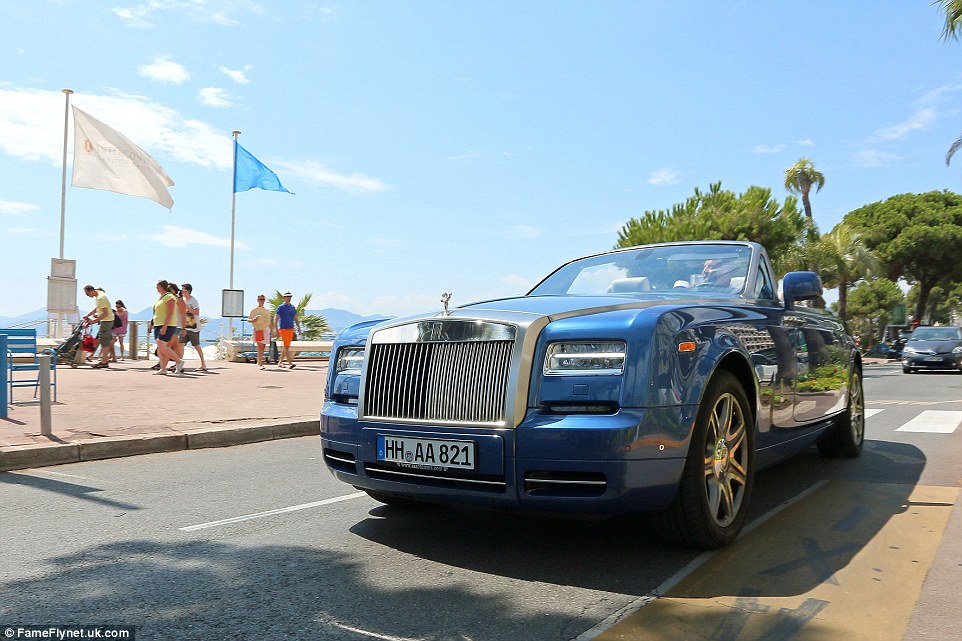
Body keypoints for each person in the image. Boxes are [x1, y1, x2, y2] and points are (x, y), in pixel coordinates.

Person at [147, 279, 184, 375]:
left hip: (167, 325)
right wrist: (152, 324)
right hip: (158, 324)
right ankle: (163, 369)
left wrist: (165, 326)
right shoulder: (161, 298)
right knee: (160, 348)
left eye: (157, 286)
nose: (156, 288)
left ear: (161, 286)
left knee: (163, 346)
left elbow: (170, 313)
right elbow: (157, 312)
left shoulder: (169, 297)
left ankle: (178, 361)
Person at [82, 285, 115, 369]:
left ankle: (104, 362)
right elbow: (98, 307)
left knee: (105, 342)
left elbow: (105, 313)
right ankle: (104, 361)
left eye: (87, 294)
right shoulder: (99, 294)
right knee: (103, 341)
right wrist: (88, 315)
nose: (87, 296)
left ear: (91, 291)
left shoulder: (101, 298)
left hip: (106, 321)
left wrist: (94, 321)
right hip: (106, 321)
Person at [181, 284, 207, 372]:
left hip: (193, 327)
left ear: (188, 291)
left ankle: (203, 364)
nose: (182, 292)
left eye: (183, 290)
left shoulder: (193, 300)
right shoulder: (183, 300)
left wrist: (188, 308)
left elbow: (196, 312)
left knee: (196, 346)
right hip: (185, 326)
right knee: (181, 345)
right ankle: (178, 364)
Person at [273, 291, 302, 369]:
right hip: (283, 328)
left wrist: (299, 328)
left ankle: (280, 362)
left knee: (286, 346)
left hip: (290, 328)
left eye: (290, 297)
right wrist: (276, 328)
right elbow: (276, 317)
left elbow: (295, 317)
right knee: (286, 346)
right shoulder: (281, 307)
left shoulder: (292, 307)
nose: (288, 298)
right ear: (284, 298)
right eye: (287, 297)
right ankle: (289, 363)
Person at [248, 294, 272, 370]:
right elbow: (249, 319)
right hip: (258, 328)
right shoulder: (254, 310)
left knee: (263, 345)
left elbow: (269, 321)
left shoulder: (267, 310)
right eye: (260, 299)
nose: (262, 301)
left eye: (263, 299)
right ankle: (260, 363)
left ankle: (259, 361)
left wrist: (273, 331)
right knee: (260, 345)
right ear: (257, 300)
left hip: (265, 328)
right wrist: (253, 320)